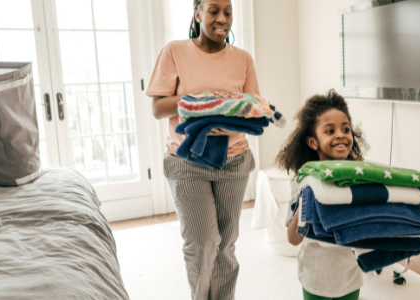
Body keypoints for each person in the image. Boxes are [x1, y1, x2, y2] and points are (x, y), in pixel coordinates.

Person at [145, 0, 259, 299]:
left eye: (228, 12)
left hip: (234, 159)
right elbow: (158, 107)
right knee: (203, 242)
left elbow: (254, 108)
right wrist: (199, 100)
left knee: (226, 245)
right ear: (197, 12)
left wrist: (229, 116)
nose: (222, 19)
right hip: (186, 159)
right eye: (213, 11)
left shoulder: (243, 59)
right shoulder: (174, 51)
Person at [276, 89, 370, 300]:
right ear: (312, 142)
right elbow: (293, 239)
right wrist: (307, 201)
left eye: (346, 129)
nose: (340, 135)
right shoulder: (303, 181)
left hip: (350, 277)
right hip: (315, 278)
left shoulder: (358, 177)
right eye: (329, 131)